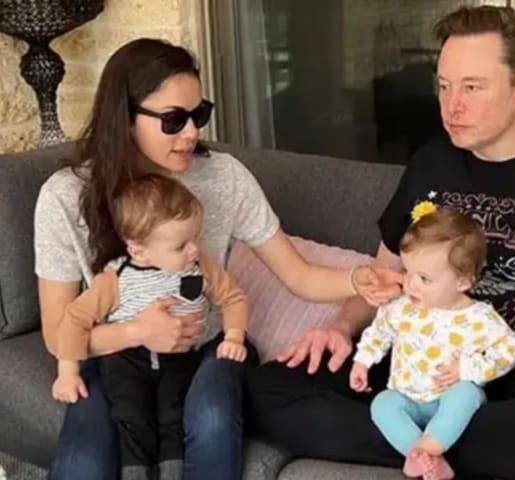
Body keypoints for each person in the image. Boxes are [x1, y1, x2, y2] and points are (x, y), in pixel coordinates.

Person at [247, 5, 515, 479]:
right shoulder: (431, 164)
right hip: (412, 364)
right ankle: (435, 445)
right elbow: (387, 278)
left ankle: (414, 438)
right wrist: (342, 326)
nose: (452, 106)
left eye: (472, 87)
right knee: (264, 389)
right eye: (444, 86)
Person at [34, 38, 399, 480]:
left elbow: (298, 275)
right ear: (124, 118)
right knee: (84, 465)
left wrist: (360, 280)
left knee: (211, 420)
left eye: (198, 114)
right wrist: (137, 331)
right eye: (173, 120)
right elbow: (59, 335)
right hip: (114, 356)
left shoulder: (223, 177)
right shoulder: (64, 196)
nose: (191, 133)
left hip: (208, 347)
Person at [51, 175, 249, 480]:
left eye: (196, 237)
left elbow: (233, 298)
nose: (194, 249)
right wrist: (68, 372)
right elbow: (74, 319)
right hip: (127, 361)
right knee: (132, 417)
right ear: (139, 251)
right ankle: (136, 473)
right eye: (181, 245)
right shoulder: (118, 278)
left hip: (180, 358)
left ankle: (171, 471)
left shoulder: (200, 267)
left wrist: (234, 336)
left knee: (173, 415)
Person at [350, 204, 515, 479]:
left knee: (465, 394)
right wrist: (362, 361)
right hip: (407, 397)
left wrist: (468, 369)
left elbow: (512, 349)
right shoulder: (401, 307)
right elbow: (379, 332)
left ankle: (427, 449)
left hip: (449, 399)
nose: (411, 285)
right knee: (382, 404)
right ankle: (425, 457)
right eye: (407, 272)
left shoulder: (478, 317)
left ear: (463, 282)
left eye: (424, 279)